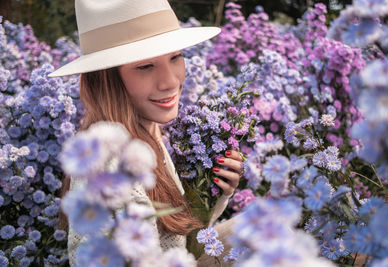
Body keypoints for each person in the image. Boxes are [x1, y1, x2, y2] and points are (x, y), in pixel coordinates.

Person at [51, 0, 244, 266]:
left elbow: (178, 243)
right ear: (107, 79)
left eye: (175, 57)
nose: (170, 81)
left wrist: (216, 193)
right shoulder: (112, 164)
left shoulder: (144, 133)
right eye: (145, 66)